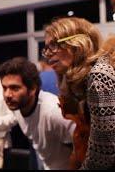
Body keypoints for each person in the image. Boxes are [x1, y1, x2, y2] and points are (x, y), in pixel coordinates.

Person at [0, 57, 76, 169]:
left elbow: (83, 147)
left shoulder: (53, 111)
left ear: (32, 89)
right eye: (4, 88)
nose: (7, 95)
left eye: (14, 88)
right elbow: (13, 119)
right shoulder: (18, 106)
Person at [43, 17, 108, 169]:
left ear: (79, 44)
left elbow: (106, 150)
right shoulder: (76, 85)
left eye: (53, 45)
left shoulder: (100, 77)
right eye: (46, 48)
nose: (47, 54)